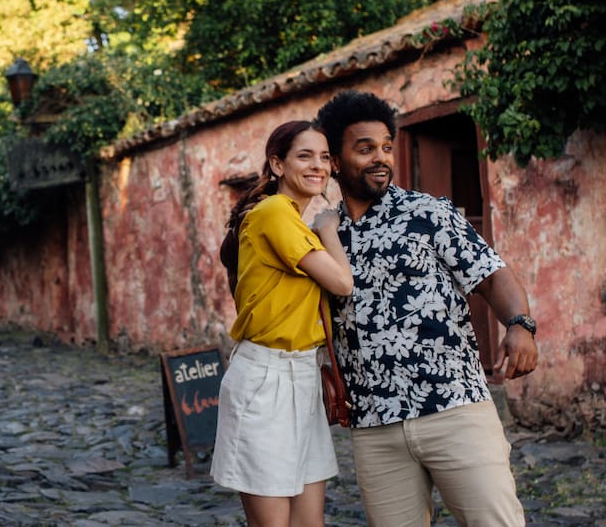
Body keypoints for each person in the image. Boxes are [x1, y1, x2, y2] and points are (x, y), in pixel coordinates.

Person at [314, 90, 539, 527]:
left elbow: (491, 275)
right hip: (374, 423)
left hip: (454, 408)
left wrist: (520, 324)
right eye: (364, 149)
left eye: (385, 147)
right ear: (335, 161)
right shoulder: (324, 233)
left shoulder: (428, 213)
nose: (380, 158)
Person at [211, 120, 354, 527]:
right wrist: (329, 229)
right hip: (265, 379)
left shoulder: (288, 217)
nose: (319, 166)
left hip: (303, 376)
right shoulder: (275, 211)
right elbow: (342, 283)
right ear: (276, 164)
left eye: (325, 157)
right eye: (305, 156)